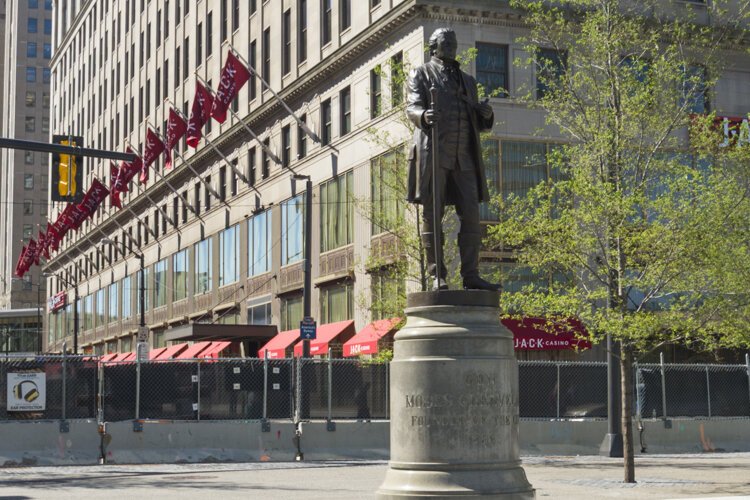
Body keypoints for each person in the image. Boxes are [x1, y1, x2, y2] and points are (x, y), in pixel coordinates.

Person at [406, 27, 501, 292]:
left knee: (471, 214)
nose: (450, 48)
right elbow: (411, 106)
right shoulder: (421, 73)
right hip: (435, 153)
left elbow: (479, 122)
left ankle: (471, 274)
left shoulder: (468, 81)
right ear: (433, 47)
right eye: (445, 44)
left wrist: (485, 113)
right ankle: (438, 275)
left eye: (453, 44)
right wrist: (423, 115)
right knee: (432, 215)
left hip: (465, 157)